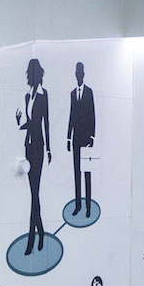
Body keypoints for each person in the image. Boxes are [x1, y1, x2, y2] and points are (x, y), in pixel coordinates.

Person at [15, 59, 51, 255]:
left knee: (34, 192)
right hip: (28, 146)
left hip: (39, 147)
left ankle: (31, 239)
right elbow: (29, 123)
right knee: (33, 193)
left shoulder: (44, 96)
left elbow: (46, 123)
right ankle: (41, 232)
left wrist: (49, 149)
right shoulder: (27, 96)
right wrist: (18, 121)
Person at [66, 62, 97, 210]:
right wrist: (68, 137)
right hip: (76, 138)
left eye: (80, 73)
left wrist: (92, 137)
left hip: (86, 138)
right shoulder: (73, 93)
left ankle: (88, 206)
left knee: (87, 172)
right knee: (76, 171)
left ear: (83, 74)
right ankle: (78, 205)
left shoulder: (89, 92)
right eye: (76, 73)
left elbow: (92, 114)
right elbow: (71, 115)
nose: (78, 76)